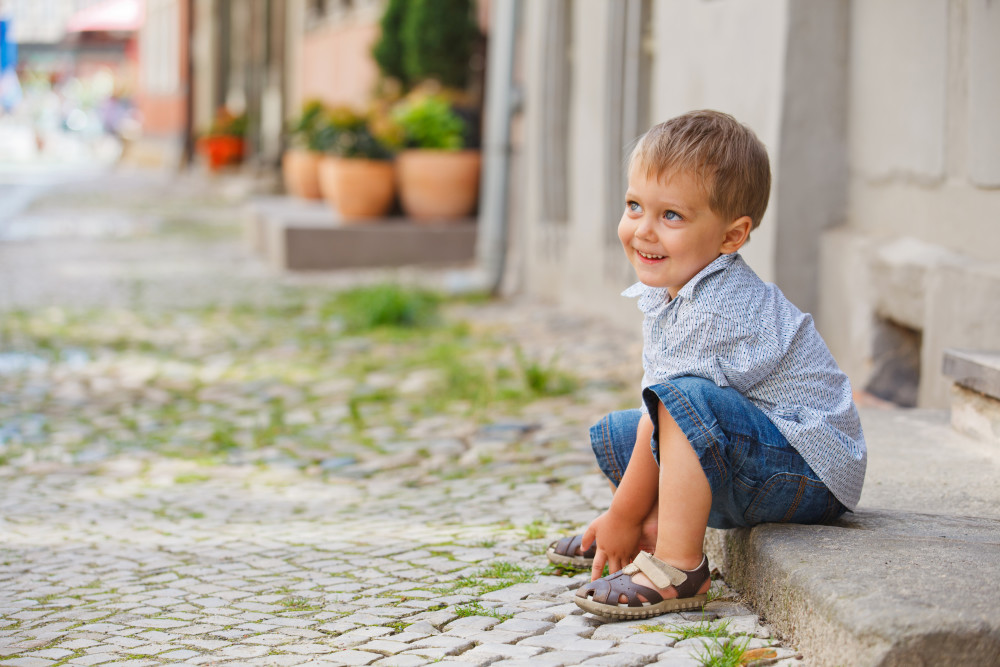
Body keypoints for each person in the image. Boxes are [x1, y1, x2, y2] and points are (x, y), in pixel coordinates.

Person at [547, 110, 866, 620]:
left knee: (680, 401)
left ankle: (677, 565)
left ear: (731, 237)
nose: (643, 231)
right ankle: (652, 532)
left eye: (671, 216)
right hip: (758, 463)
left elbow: (672, 411)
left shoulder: (720, 306)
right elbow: (656, 422)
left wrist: (621, 512)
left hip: (807, 472)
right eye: (634, 206)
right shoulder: (676, 289)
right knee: (621, 430)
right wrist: (625, 515)